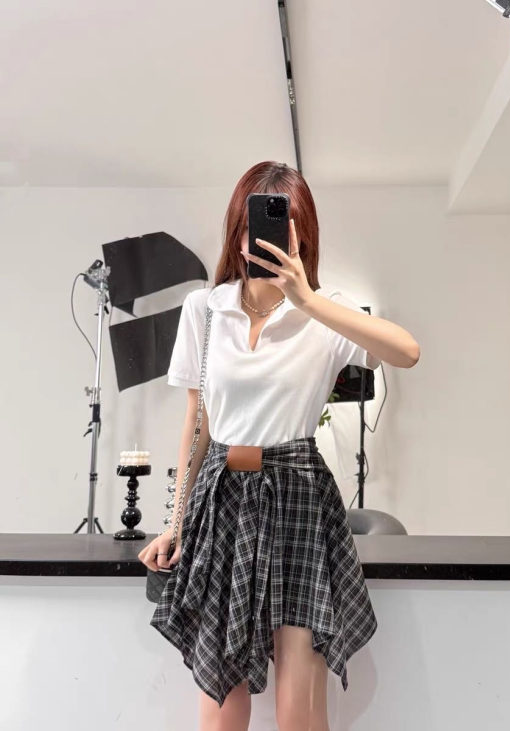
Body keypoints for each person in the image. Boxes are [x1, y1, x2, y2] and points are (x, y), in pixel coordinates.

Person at [138, 160, 420, 731]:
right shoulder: (204, 310)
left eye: (277, 227)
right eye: (251, 225)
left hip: (299, 497)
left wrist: (308, 300)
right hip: (221, 502)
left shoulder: (324, 311)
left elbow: (406, 352)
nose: (259, 240)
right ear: (236, 232)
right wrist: (175, 524)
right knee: (221, 701)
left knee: (298, 709)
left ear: (302, 237)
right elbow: (197, 425)